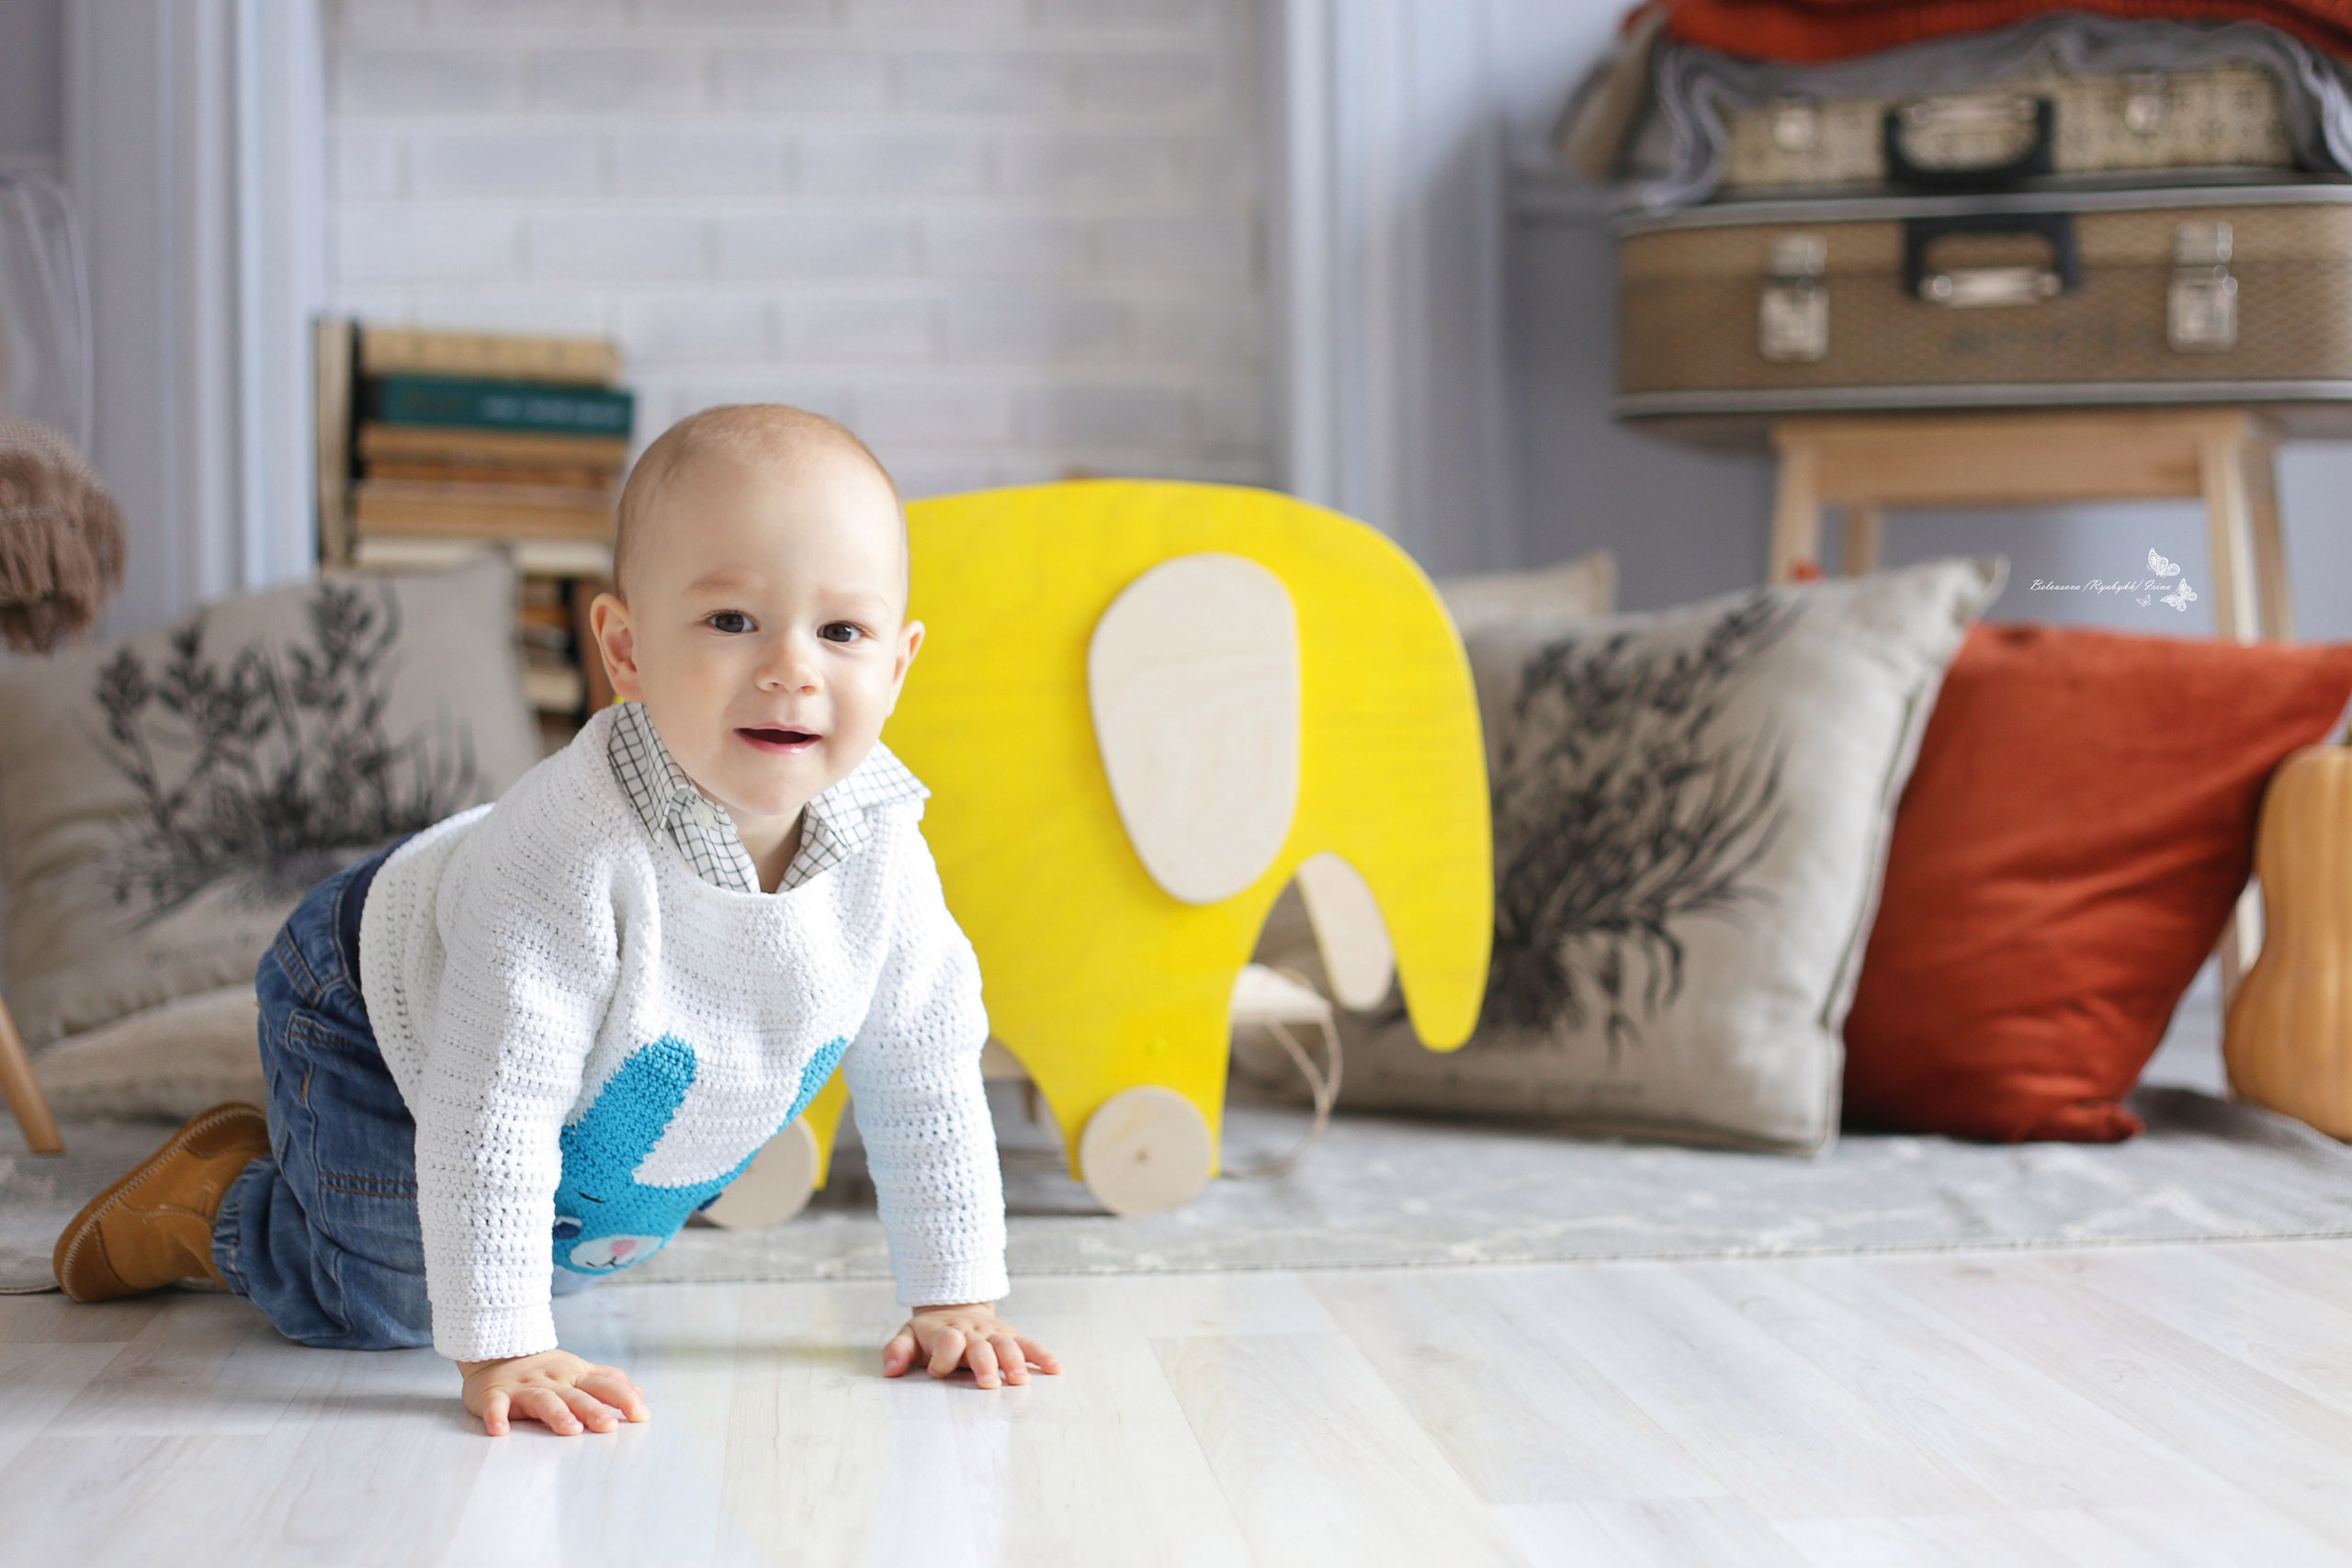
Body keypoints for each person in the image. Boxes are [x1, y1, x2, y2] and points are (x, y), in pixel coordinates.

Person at [51, 403, 1062, 1436]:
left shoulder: (885, 853)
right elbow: (494, 1106)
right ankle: (216, 1205)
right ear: (624, 649)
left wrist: (955, 1297)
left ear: (897, 665)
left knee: (569, 1261)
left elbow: (925, 1075)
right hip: (372, 994)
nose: (790, 668)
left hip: (544, 1060)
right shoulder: (575, 850)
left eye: (841, 631)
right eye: (730, 621)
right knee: (391, 1304)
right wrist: (501, 1350)